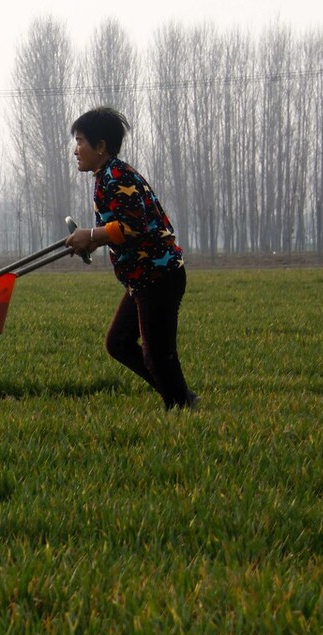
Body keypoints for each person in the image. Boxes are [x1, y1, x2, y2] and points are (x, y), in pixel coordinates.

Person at [64, 106, 197, 411]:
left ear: (101, 146)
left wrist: (93, 235)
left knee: (157, 353)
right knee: (119, 343)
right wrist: (92, 241)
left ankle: (180, 407)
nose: (76, 150)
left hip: (158, 276)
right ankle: (180, 396)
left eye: (81, 141)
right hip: (143, 278)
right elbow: (125, 229)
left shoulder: (116, 176)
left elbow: (134, 225)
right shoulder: (106, 176)